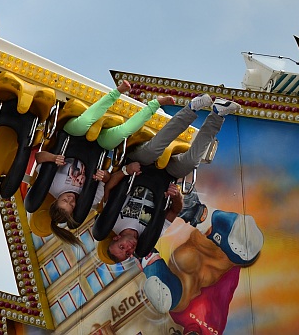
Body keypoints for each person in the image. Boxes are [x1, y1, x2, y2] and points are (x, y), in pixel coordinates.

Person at [32, 78, 174, 246]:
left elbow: (38, 157)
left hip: (72, 136)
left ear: (56, 201)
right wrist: (103, 176)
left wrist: (53, 158)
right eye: (72, 204)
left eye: (65, 201)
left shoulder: (51, 185)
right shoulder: (90, 199)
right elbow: (107, 181)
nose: (70, 199)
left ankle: (118, 91)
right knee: (123, 132)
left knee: (84, 122)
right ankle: (155, 104)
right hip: (98, 148)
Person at [98, 95, 239, 264]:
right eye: (128, 253)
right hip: (164, 178)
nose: (129, 248)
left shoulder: (112, 220)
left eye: (122, 247)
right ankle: (218, 113)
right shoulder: (151, 234)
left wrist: (126, 170)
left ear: (116, 238)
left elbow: (109, 186)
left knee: (153, 150)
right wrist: (177, 197)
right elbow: (174, 212)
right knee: (190, 163)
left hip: (139, 166)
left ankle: (192, 107)